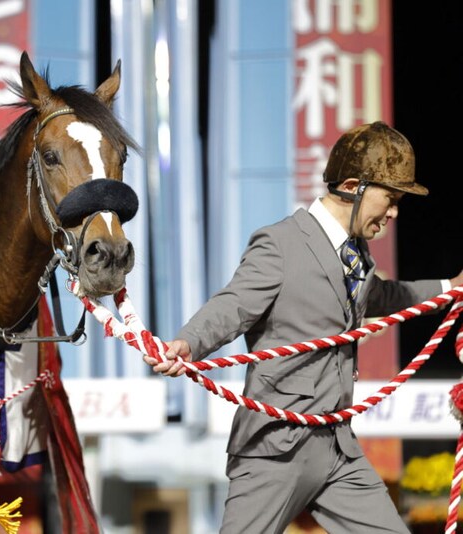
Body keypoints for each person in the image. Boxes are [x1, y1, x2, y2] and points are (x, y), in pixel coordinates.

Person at [145, 121, 463, 533]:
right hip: (274, 449)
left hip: (338, 450)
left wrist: (448, 288)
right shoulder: (280, 244)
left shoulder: (356, 255)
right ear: (353, 186)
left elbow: (381, 297)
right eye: (391, 198)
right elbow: (235, 303)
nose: (395, 212)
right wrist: (190, 342)